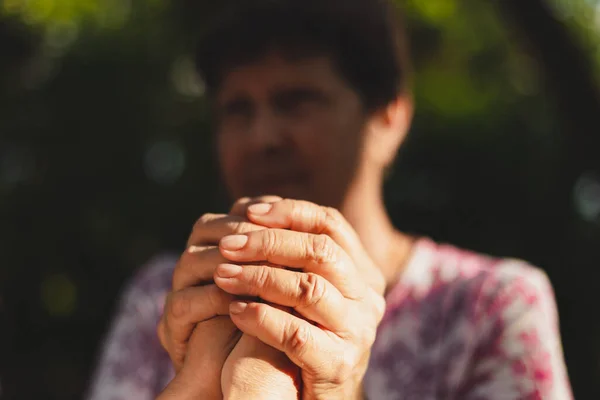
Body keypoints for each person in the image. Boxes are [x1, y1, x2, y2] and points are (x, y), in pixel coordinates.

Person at [86, 0, 573, 398]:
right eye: (238, 109)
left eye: (297, 100)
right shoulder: (160, 299)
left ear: (388, 117)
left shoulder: (490, 307)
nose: (263, 136)